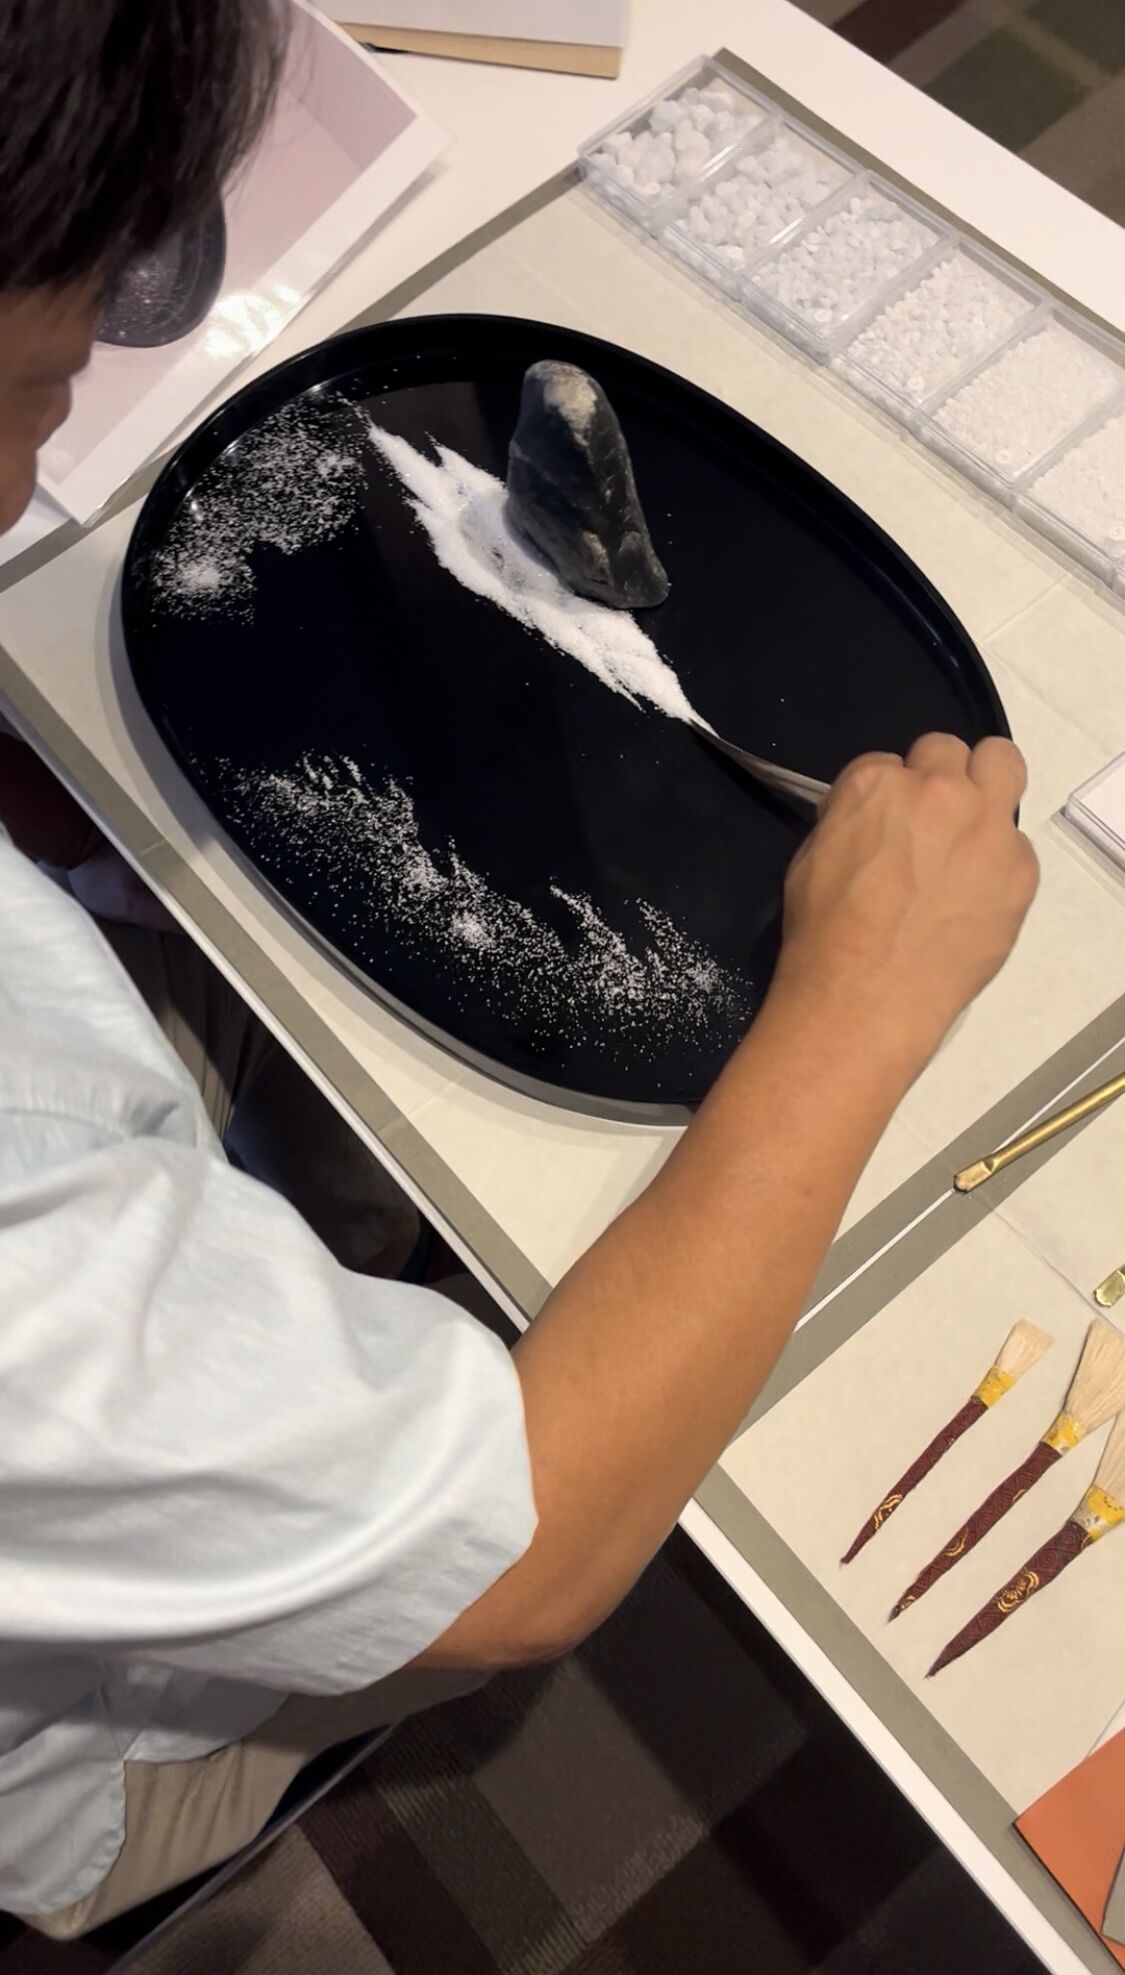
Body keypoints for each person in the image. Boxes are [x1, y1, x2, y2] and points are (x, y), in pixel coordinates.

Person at [0, 0, 1039, 1941]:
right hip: (99, 1733)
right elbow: (524, 1556)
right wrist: (861, 1004)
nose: (43, 450)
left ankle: (328, 1236)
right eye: (46, 386)